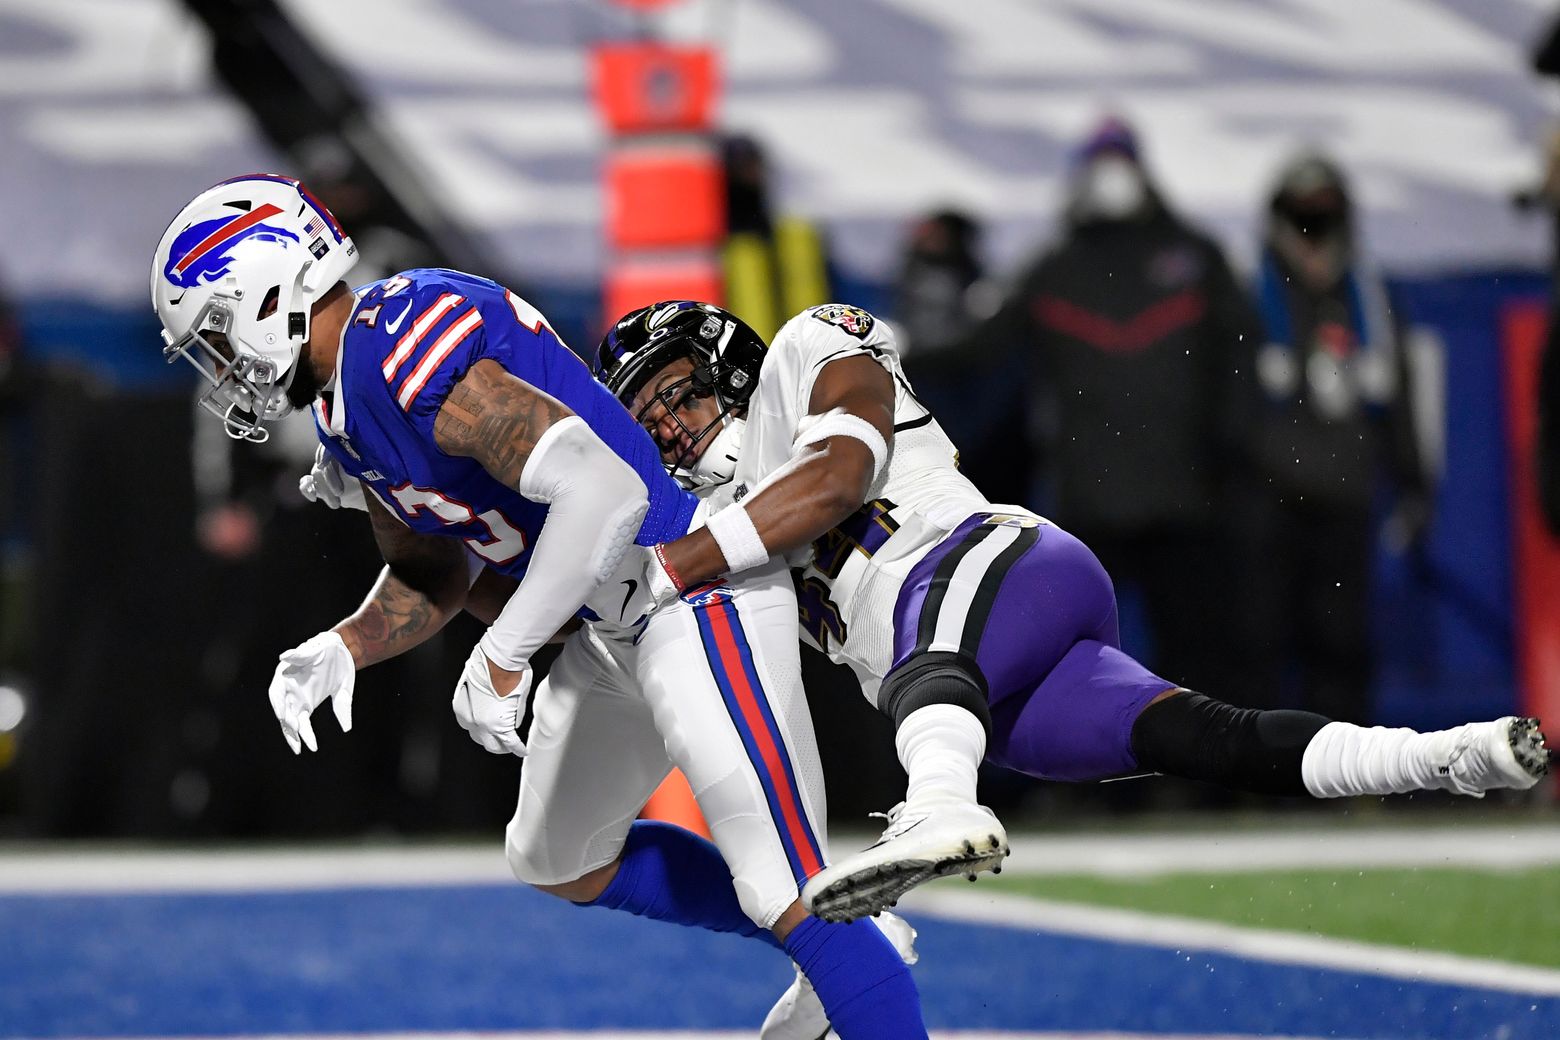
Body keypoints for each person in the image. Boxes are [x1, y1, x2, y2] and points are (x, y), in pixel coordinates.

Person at [149, 174, 927, 1040]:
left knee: (784, 885)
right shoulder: (346, 406)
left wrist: (505, 655)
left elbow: (605, 491)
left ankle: (836, 945)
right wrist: (346, 645)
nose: (221, 370)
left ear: (268, 290)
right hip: (614, 624)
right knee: (557, 855)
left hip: (694, 592)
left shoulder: (400, 341)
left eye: (216, 337)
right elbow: (432, 571)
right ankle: (836, 941)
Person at [590, 298, 1551, 923]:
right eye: (648, 418)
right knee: (1208, 738)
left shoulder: (805, 353)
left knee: (924, 651)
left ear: (723, 361)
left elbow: (840, 476)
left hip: (996, 573)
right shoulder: (705, 520)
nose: (670, 424)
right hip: (987, 701)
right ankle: (1444, 757)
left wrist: (674, 565)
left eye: (674, 392)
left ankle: (936, 810)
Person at [982, 116, 1260, 695]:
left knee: (1193, 640)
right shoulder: (1051, 270)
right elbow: (983, 355)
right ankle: (1094, 782)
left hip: (1184, 493)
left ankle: (1193, 777)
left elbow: (1238, 365)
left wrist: (1232, 456)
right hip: (1089, 497)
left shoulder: (1196, 257)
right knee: (1081, 646)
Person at [1240, 153, 1431, 723]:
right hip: (1265, 497)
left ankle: (1342, 781)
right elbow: (1220, 404)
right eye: (1301, 220)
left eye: (1323, 220)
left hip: (1345, 494)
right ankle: (1262, 779)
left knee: (1342, 639)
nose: (1313, 236)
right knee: (1258, 637)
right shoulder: (1250, 293)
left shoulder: (1369, 296)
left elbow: (1398, 400)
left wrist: (1413, 483)